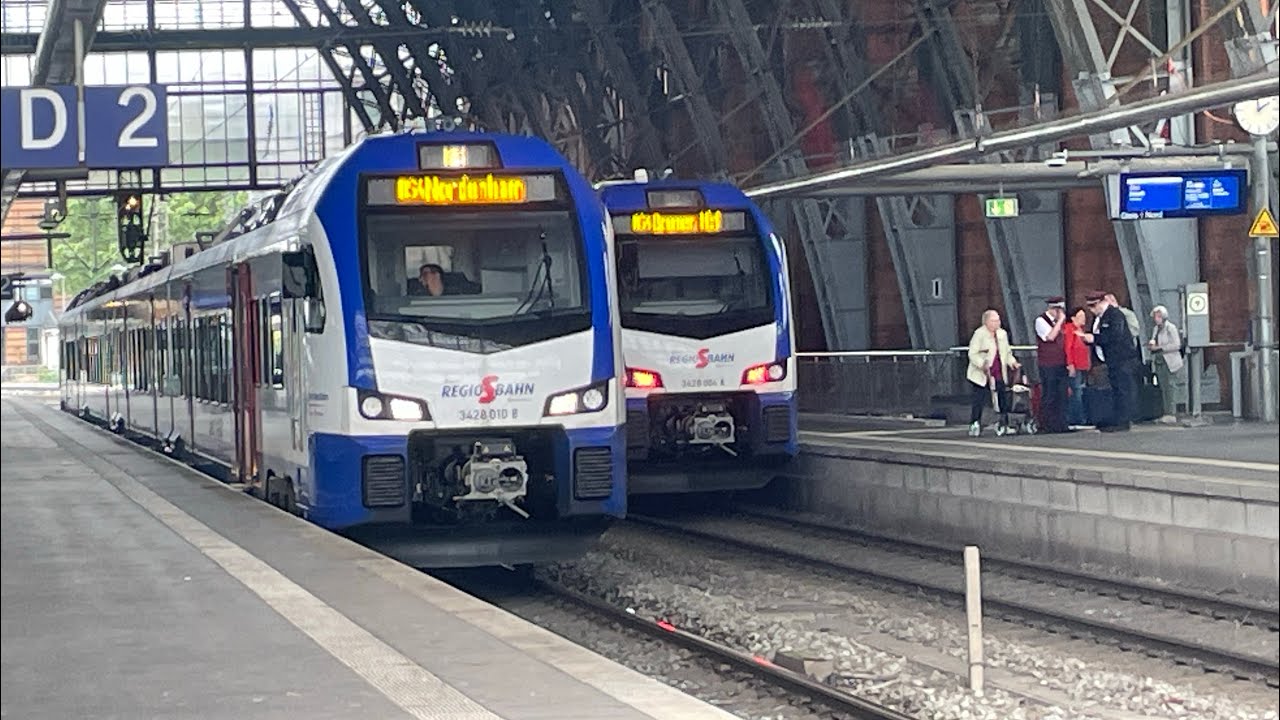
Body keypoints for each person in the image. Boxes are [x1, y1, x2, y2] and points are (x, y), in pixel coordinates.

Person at [1077, 290, 1138, 432]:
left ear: (1101, 303)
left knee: (1123, 389)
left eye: (1093, 306)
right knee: (1116, 389)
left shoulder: (1115, 315)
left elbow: (1114, 336)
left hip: (1122, 359)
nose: (1091, 310)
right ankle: (1117, 419)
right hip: (1112, 359)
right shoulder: (1101, 317)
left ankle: (1123, 421)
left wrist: (1094, 338)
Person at [966, 309, 1021, 437]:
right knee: (979, 399)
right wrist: (982, 364)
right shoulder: (979, 334)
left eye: (998, 320)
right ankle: (975, 423)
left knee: (1002, 397)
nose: (997, 323)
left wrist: (1012, 362)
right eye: (994, 320)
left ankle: (1004, 423)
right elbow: (972, 353)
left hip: (998, 372)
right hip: (981, 374)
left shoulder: (1002, 334)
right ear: (986, 322)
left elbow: (1006, 352)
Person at [1034, 296, 1070, 433]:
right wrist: (1060, 321)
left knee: (1062, 393)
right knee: (1049, 393)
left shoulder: (1059, 323)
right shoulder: (1040, 321)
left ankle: (1061, 424)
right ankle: (1046, 424)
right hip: (1047, 364)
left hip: (1061, 362)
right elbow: (1050, 337)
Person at [1147, 305, 1184, 424]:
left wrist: (1160, 347)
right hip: (1159, 361)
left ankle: (1171, 413)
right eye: (1155, 317)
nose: (1156, 319)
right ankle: (1165, 412)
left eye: (1158, 316)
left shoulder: (1171, 328)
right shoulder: (1155, 329)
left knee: (1171, 387)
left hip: (1170, 361)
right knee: (1163, 387)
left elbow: (1177, 345)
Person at [1064, 306, 1092, 428]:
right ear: (1073, 317)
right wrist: (1070, 364)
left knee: (1080, 391)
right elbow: (1068, 347)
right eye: (1080, 317)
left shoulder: (1080, 330)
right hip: (1075, 365)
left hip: (1083, 365)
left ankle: (1081, 417)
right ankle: (1077, 418)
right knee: (1076, 391)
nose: (1083, 319)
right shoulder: (1070, 329)